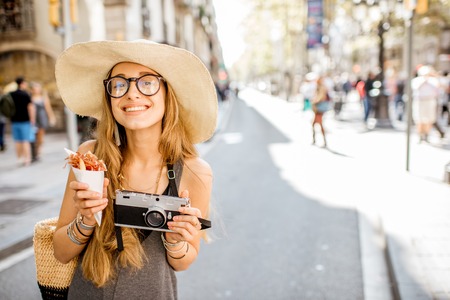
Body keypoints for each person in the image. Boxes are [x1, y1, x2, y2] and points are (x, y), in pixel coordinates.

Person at [53, 40, 217, 299]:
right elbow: (60, 252)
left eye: (147, 82)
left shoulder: (195, 171)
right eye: (119, 84)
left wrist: (176, 241)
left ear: (167, 93)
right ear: (110, 98)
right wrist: (85, 220)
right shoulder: (90, 158)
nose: (131, 94)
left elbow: (183, 262)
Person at [9, 77, 35, 166]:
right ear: (22, 83)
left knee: (17, 141)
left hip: (14, 120)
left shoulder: (11, 94)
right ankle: (27, 159)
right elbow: (30, 107)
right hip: (25, 120)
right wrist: (32, 118)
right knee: (25, 140)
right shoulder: (25, 94)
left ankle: (19, 158)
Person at [411, 65, 440, 142]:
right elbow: (416, 87)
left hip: (430, 101)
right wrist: (424, 80)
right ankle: (420, 135)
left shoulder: (433, 80)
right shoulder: (416, 80)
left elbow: (437, 90)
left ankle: (427, 134)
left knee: (429, 119)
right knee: (419, 119)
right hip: (420, 101)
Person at [29, 81, 56, 161]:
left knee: (40, 136)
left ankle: (38, 150)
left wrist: (51, 117)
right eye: (35, 88)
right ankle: (34, 151)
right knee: (34, 137)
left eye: (38, 88)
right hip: (34, 119)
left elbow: (48, 108)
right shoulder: (30, 98)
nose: (37, 90)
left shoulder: (43, 98)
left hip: (42, 118)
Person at [311, 76, 329, 147]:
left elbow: (321, 97)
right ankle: (316, 140)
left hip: (319, 108)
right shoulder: (318, 87)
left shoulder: (321, 87)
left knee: (318, 124)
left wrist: (315, 101)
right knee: (316, 124)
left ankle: (322, 141)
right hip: (317, 108)